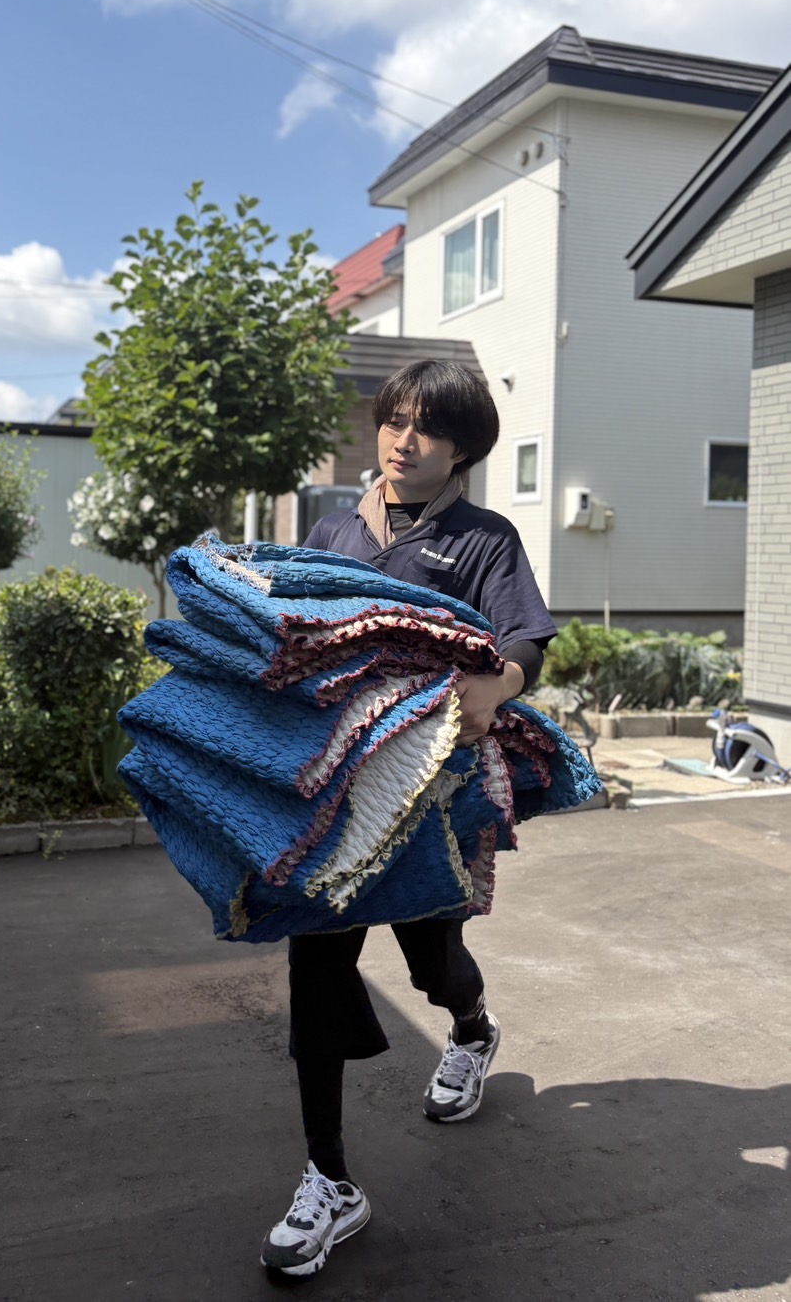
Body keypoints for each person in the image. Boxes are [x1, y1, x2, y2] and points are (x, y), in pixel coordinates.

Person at [261, 359, 556, 1278]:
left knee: (433, 961)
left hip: (427, 794)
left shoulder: (484, 539)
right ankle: (328, 1177)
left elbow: (526, 636)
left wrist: (499, 682)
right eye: (395, 420)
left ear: (461, 448)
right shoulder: (336, 529)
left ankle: (470, 1025)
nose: (402, 439)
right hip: (335, 788)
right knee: (316, 966)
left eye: (425, 427)